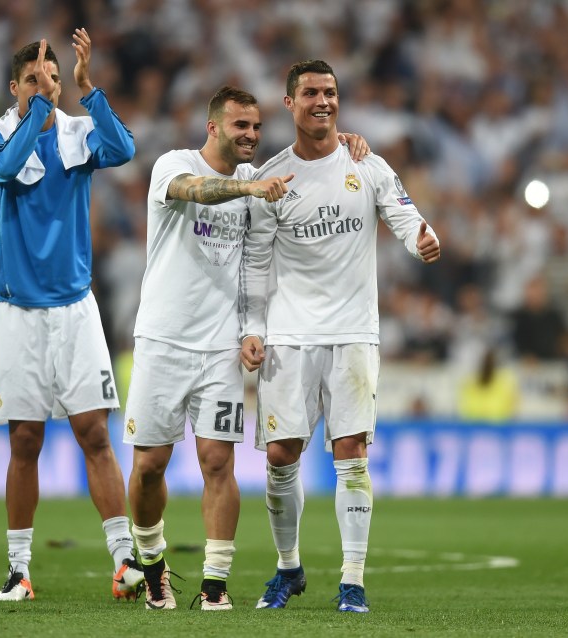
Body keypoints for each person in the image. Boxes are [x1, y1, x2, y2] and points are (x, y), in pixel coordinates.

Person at [124, 86, 370, 611]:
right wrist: (251, 190)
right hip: (163, 340)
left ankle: (215, 584)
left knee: (219, 462)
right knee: (150, 465)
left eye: (257, 127)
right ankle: (152, 566)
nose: (252, 136)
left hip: (219, 346)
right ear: (213, 127)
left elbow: (258, 259)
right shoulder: (175, 164)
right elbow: (195, 191)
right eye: (241, 127)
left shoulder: (257, 183)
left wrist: (344, 145)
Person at [240, 60, 440, 613]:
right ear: (289, 103)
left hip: (353, 332)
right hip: (289, 334)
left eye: (330, 92)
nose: (322, 101)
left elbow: (404, 214)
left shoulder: (367, 165)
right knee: (282, 454)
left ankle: (353, 580)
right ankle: (288, 569)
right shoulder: (273, 178)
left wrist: (423, 237)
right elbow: (256, 264)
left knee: (350, 451)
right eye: (310, 93)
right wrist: (253, 329)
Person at [0, 30, 142, 602]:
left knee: (94, 432)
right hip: (18, 313)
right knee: (24, 440)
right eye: (34, 81)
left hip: (75, 309)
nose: (47, 89)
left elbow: (123, 150)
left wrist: (88, 92)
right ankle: (19, 569)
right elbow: (3, 171)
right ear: (13, 87)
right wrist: (42, 105)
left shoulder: (75, 131)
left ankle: (124, 561)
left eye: (52, 80)